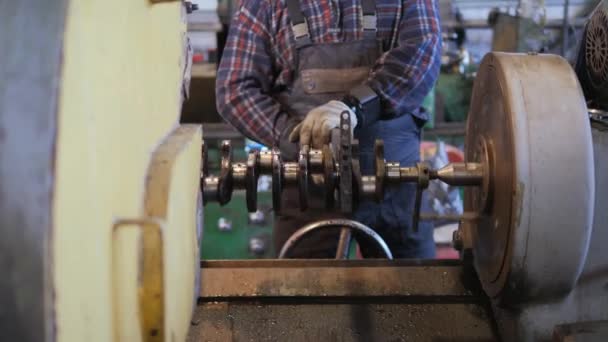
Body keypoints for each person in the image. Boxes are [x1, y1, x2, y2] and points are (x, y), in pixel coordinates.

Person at [216, 0, 441, 258]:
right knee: (306, 293)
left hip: (397, 189)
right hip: (306, 190)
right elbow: (235, 88)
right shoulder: (264, 4)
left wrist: (357, 106)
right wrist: (300, 138)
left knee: (415, 291)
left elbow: (422, 52)